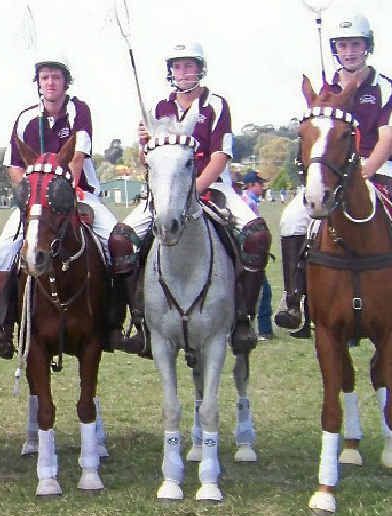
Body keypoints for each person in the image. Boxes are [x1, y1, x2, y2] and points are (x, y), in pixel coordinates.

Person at [107, 41, 271, 355]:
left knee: (257, 235)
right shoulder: (158, 107)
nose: (184, 72)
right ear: (170, 72)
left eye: (189, 66)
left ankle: (243, 318)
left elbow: (221, 155)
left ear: (200, 69)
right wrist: (143, 144)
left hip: (214, 188)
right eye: (178, 66)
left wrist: (192, 189)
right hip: (166, 192)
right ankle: (140, 320)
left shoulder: (216, 104)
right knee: (120, 241)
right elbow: (150, 160)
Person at [0, 52, 119, 358]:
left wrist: (64, 194)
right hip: (36, 202)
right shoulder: (26, 117)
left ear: (66, 82)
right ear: (38, 84)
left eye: (56, 77)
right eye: (45, 78)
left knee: (117, 240)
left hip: (78, 192)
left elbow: (77, 157)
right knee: (4, 248)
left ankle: (114, 320)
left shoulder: (78, 110)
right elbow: (14, 166)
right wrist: (32, 196)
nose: (50, 83)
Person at [274, 12, 392, 335]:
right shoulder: (323, 91)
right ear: (334, 50)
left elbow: (386, 138)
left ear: (367, 47)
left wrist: (365, 173)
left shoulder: (383, 87)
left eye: (355, 44)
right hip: (331, 175)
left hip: (376, 171)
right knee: (291, 221)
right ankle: (294, 299)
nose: (349, 51)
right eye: (343, 45)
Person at [241, 170, 273, 341]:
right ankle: (264, 330)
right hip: (251, 256)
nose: (263, 187)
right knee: (262, 290)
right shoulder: (248, 203)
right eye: (260, 184)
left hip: (250, 255)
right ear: (252, 184)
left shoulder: (248, 201)